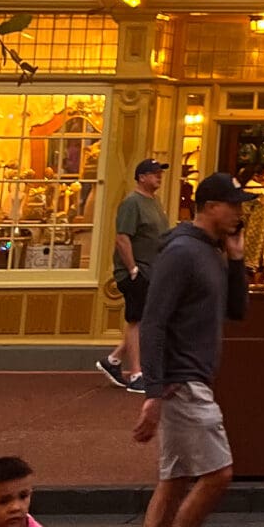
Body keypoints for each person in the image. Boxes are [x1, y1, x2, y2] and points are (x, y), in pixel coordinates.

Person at [110, 170, 252, 527]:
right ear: (209, 206)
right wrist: (153, 390)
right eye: (233, 204)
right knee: (217, 476)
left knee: (173, 483)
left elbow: (237, 310)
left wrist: (236, 259)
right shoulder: (181, 251)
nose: (239, 212)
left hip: (189, 379)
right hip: (183, 381)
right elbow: (153, 322)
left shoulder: (209, 252)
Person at [98, 156, 169, 391]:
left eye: (160, 172)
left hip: (152, 269)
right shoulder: (132, 203)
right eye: (154, 173)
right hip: (136, 270)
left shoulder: (154, 202)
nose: (159, 176)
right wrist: (132, 269)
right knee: (137, 320)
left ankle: (113, 360)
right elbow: (122, 237)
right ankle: (137, 373)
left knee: (145, 320)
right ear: (141, 177)